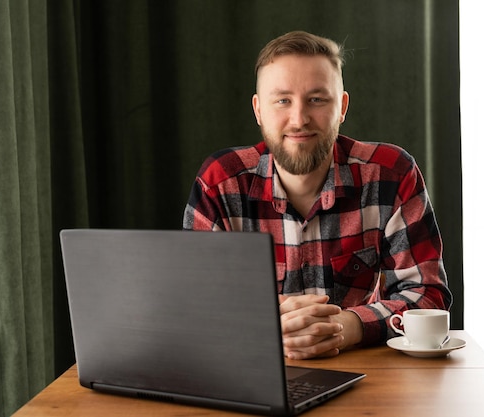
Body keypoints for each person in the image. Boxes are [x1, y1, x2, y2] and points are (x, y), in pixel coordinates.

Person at [182, 30, 452, 360]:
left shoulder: (392, 174)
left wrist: (346, 326)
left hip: (365, 375)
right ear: (258, 110)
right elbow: (195, 306)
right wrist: (268, 323)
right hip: (252, 370)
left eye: (317, 99)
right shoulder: (219, 183)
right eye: (282, 100)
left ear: (342, 107)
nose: (299, 119)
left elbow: (427, 296)